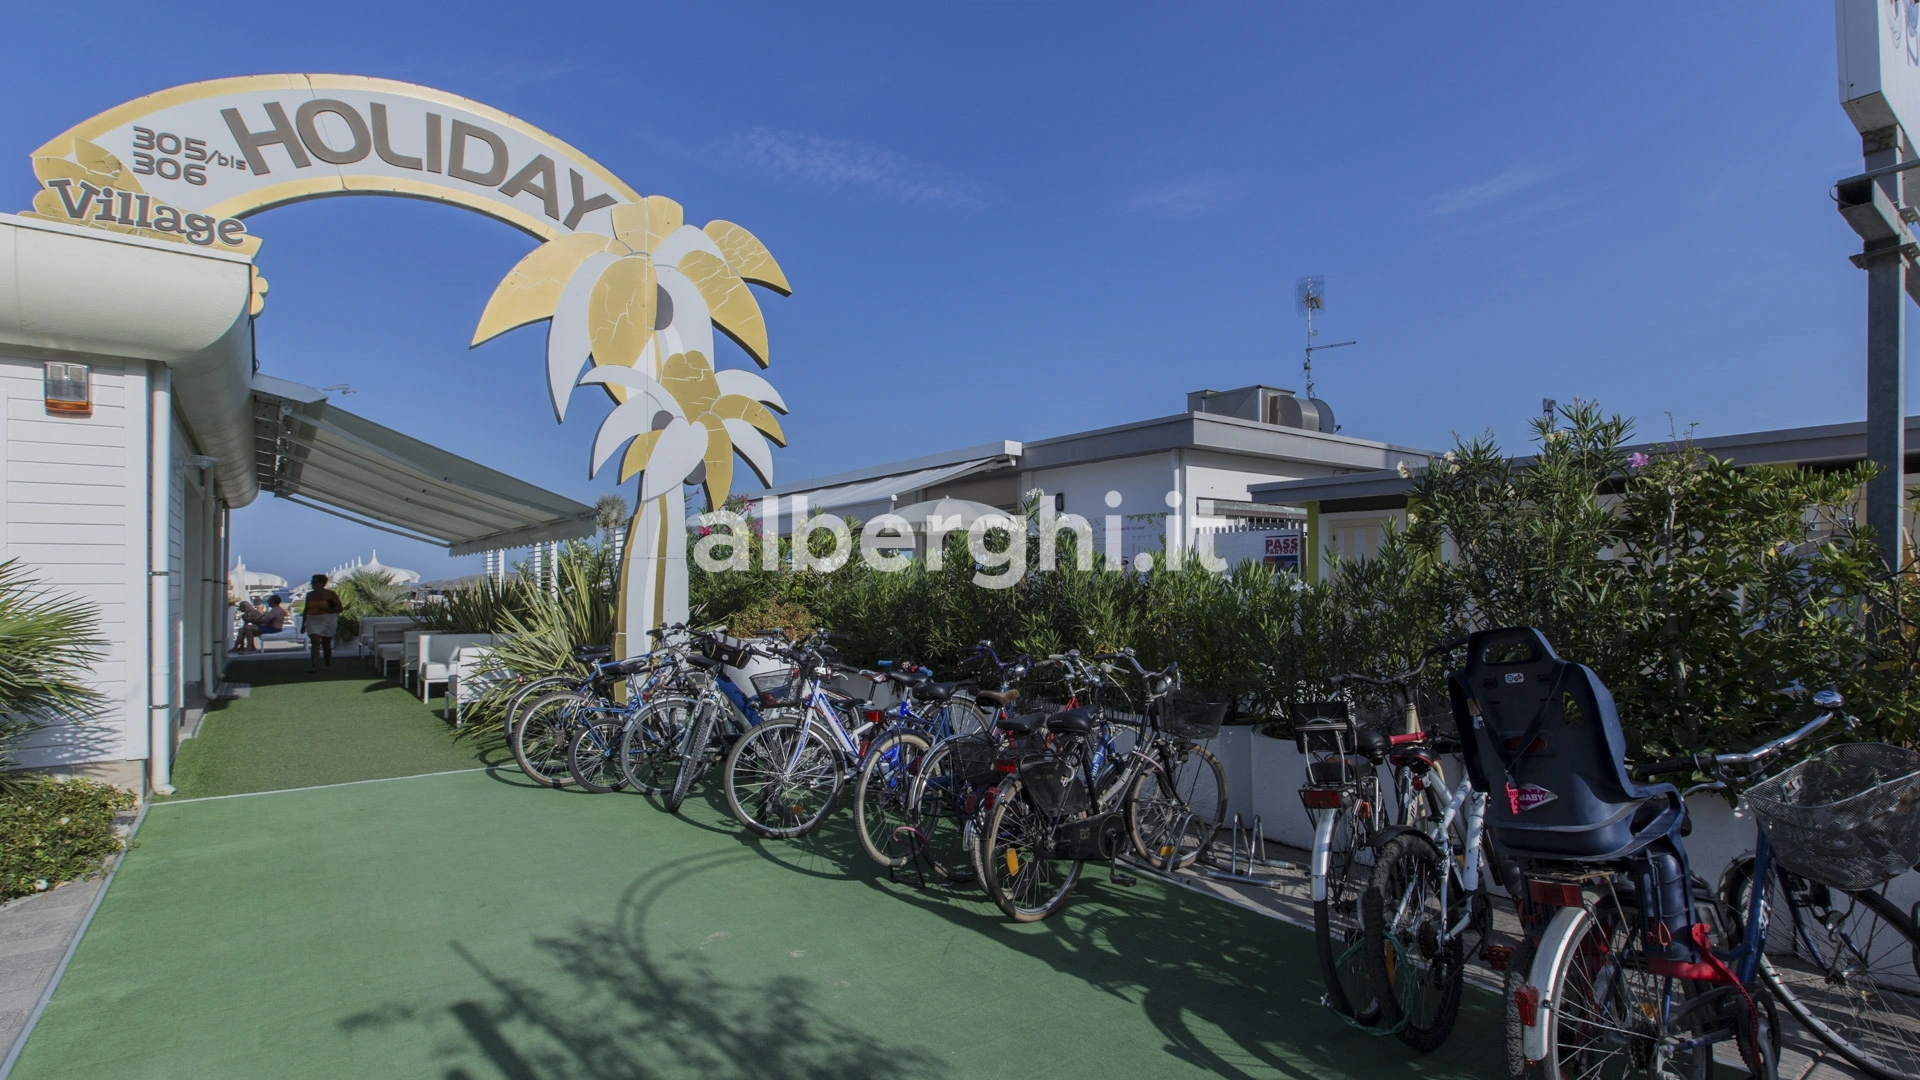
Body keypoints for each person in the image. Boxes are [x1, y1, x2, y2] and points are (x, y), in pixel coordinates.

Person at [302, 575, 343, 673]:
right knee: (315, 641)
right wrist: (303, 624)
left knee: (326, 643)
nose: (312, 584)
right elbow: (306, 609)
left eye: (315, 582)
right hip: (313, 619)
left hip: (328, 619)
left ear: (321, 583)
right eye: (312, 582)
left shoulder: (329, 595)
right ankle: (315, 666)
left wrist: (327, 609)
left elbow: (338, 608)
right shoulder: (310, 595)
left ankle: (327, 662)